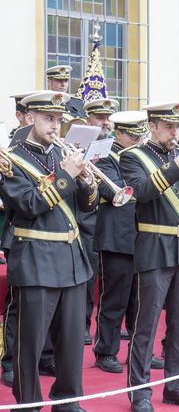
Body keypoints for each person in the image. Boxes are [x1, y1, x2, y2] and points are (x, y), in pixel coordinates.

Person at [1, 90, 98, 410]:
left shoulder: (61, 154)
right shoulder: (11, 160)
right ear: (29, 118)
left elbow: (86, 208)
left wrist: (86, 181)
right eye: (48, 118)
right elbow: (29, 205)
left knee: (71, 343)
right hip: (36, 261)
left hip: (71, 260)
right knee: (29, 345)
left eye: (58, 120)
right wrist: (68, 174)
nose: (56, 126)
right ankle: (28, 404)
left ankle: (68, 402)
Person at [120, 101, 179, 412]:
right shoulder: (132, 157)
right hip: (155, 246)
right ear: (153, 127)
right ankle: (141, 392)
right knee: (146, 325)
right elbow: (142, 192)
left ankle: (175, 385)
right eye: (169, 127)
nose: (176, 133)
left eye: (178, 127)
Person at [1, 91, 56, 388]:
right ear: (23, 115)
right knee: (18, 306)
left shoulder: (51, 145)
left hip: (51, 233)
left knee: (49, 304)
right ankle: (10, 360)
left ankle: (45, 354)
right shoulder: (14, 144)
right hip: (20, 232)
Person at [92, 110, 147, 374]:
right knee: (114, 298)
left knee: (140, 300)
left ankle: (138, 351)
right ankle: (106, 351)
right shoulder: (105, 156)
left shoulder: (139, 156)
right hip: (115, 235)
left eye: (140, 135)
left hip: (141, 235)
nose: (137, 140)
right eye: (132, 135)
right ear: (119, 133)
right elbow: (113, 192)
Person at [81, 98, 118, 345]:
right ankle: (81, 324)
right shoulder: (79, 145)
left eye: (107, 118)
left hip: (105, 221)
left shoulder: (112, 148)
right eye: (99, 118)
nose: (105, 123)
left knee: (98, 275)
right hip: (83, 218)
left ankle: (91, 325)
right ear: (88, 120)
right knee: (84, 276)